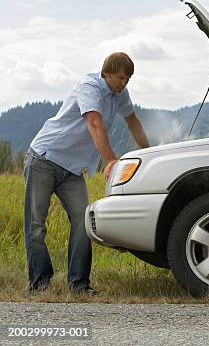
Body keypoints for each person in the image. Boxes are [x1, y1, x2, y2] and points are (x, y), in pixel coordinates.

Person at [23, 52, 150, 294]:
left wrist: (150, 153)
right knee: (36, 225)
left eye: (129, 79)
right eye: (121, 78)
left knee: (84, 222)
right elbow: (94, 123)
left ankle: (79, 285)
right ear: (106, 73)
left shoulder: (120, 93)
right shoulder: (89, 86)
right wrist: (111, 159)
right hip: (44, 158)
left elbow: (133, 121)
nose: (125, 83)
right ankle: (40, 285)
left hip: (71, 169)